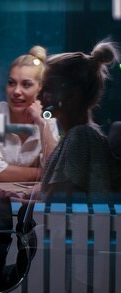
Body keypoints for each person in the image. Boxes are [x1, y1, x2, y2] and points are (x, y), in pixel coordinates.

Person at [36, 40, 120, 201]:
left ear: (72, 95)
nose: (39, 96)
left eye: (48, 88)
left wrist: (16, 204)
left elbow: (57, 206)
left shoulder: (80, 137)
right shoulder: (76, 136)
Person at [0, 46, 59, 182]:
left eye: (26, 85)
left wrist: (41, 123)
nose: (16, 91)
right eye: (11, 83)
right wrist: (42, 173)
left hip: (28, 202)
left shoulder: (47, 121)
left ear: (41, 89)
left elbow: (55, 170)